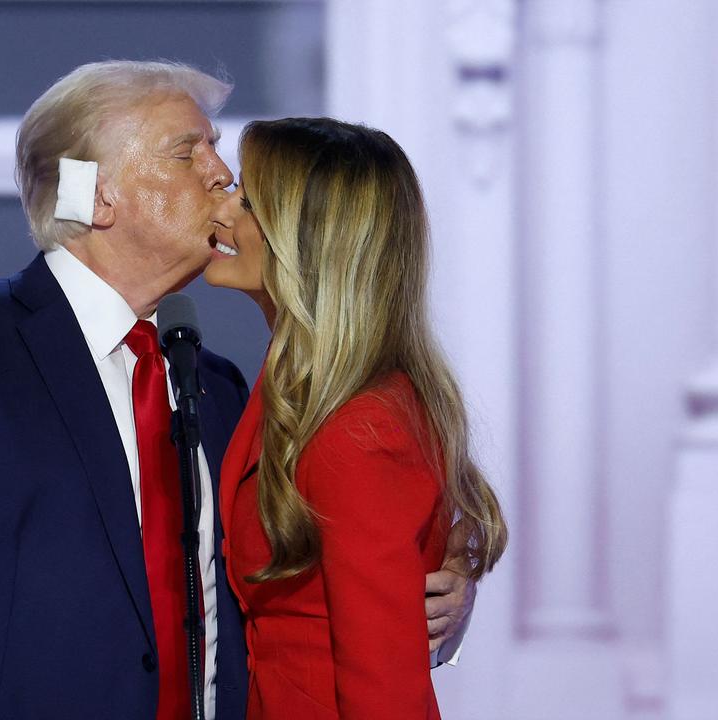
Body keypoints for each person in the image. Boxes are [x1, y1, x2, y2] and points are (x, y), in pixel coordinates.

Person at [0, 63, 477, 720]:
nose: (223, 175)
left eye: (217, 150)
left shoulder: (219, 387)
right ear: (96, 195)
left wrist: (449, 578)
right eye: (188, 153)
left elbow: (328, 558)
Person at [205, 117, 507, 718]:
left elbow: (384, 686)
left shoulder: (358, 428)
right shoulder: (301, 393)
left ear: (304, 238)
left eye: (249, 199)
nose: (222, 211)